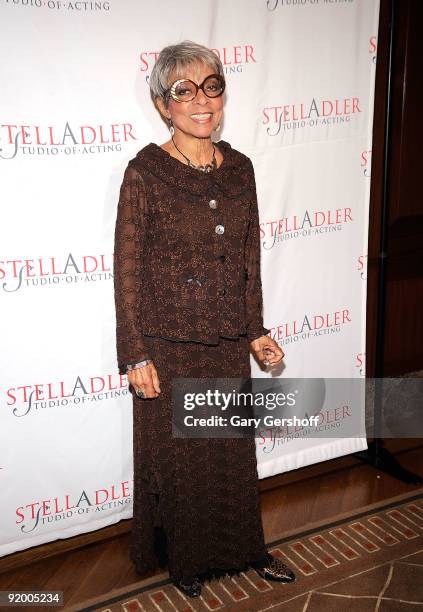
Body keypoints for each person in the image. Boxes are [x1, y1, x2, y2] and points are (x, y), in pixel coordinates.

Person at [113, 40, 296, 598]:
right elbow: (126, 270)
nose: (201, 101)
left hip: (223, 340)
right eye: (183, 91)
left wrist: (256, 330)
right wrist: (134, 352)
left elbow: (248, 259)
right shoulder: (145, 172)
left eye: (212, 87)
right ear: (163, 105)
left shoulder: (240, 170)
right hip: (167, 345)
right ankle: (188, 562)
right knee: (184, 464)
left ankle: (247, 548)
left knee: (232, 456)